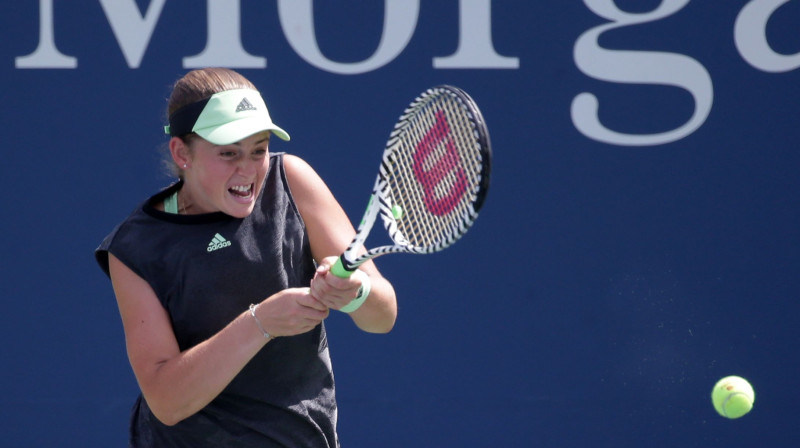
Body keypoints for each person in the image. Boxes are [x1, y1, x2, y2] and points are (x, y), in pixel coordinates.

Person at [95, 67, 397, 447]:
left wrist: (355, 292)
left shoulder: (292, 181)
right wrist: (260, 323)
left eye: (259, 150)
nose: (248, 169)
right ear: (181, 152)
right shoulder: (136, 247)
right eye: (228, 153)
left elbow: (382, 316)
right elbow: (166, 402)